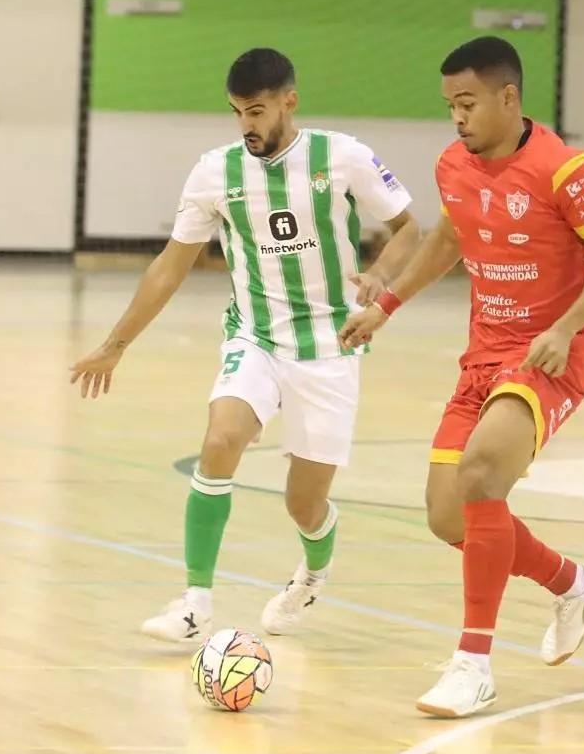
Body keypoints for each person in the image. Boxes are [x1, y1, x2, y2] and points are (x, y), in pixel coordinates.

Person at [70, 48, 420, 641]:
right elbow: (168, 268)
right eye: (236, 113)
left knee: (303, 506)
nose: (246, 126)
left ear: (289, 100)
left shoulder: (342, 156)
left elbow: (411, 229)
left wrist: (383, 274)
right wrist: (115, 344)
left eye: (256, 112)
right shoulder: (215, 172)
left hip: (332, 345)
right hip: (254, 335)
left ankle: (313, 573)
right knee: (221, 439)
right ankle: (195, 602)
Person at [340, 36, 584, 717]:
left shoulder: (567, 171)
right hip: (483, 357)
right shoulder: (455, 165)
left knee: (480, 476)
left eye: (468, 102)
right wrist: (384, 306)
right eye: (450, 105)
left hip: (546, 358)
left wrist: (565, 327)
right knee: (451, 518)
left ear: (510, 97)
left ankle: (473, 663)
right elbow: (449, 239)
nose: (458, 118)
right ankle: (574, 582)